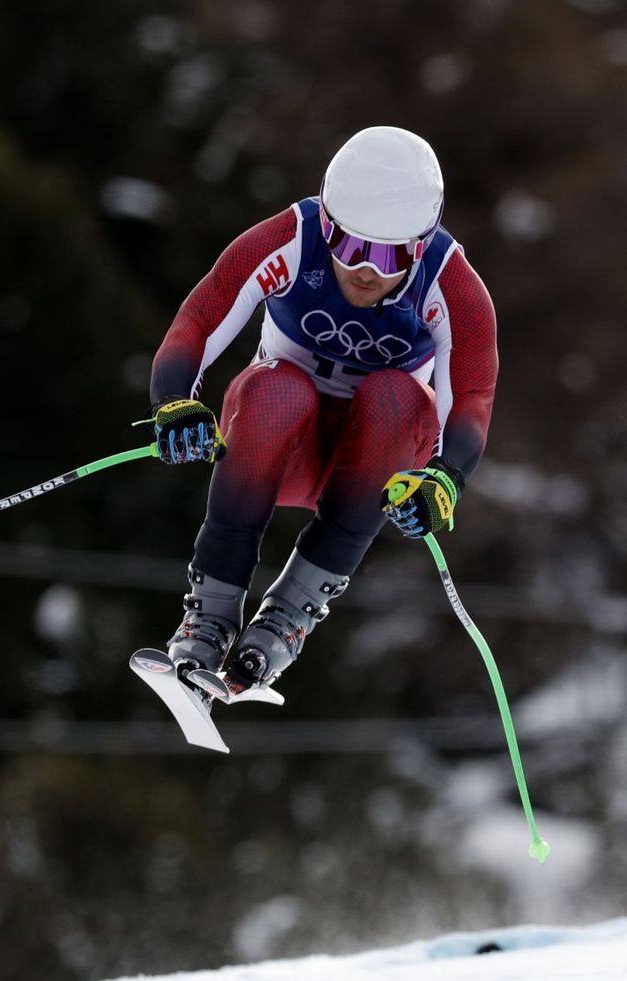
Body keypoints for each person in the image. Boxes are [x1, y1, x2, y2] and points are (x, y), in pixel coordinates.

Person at [146, 125, 499, 693]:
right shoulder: (289, 238)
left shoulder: (450, 284)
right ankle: (207, 619)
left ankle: (287, 622)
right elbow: (198, 321)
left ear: (422, 241)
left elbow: (474, 396)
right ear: (328, 224)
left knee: (398, 396)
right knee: (279, 389)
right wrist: (176, 401)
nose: (367, 271)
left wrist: (446, 477)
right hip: (279, 445)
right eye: (351, 246)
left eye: (390, 257)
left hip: (367, 467)